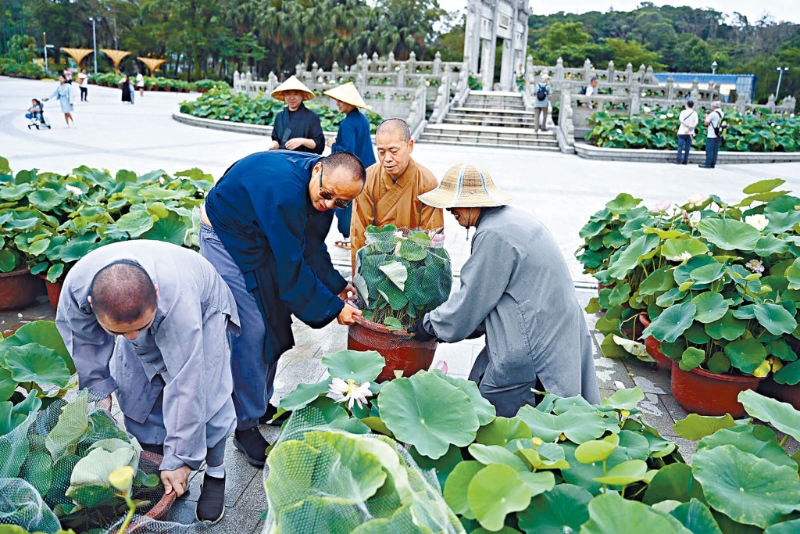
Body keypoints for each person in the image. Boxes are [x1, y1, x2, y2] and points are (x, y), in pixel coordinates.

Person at [199, 151, 365, 467]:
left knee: (274, 320)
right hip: (225, 237)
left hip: (261, 237)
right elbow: (291, 263)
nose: (328, 205)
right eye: (327, 195)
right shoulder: (284, 192)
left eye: (340, 204)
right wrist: (333, 309)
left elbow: (310, 246)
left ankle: (260, 406)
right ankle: (244, 425)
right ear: (317, 169)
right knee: (254, 329)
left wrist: (336, 284)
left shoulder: (324, 187)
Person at [55, 241, 239, 524]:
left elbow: (186, 384)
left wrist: (181, 458)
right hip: (137, 304)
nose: (131, 338)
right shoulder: (77, 291)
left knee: (208, 398)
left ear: (155, 294)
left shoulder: (177, 301)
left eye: (140, 328)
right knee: (138, 392)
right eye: (119, 332)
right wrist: (98, 392)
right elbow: (84, 342)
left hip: (198, 308)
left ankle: (215, 473)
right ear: (92, 305)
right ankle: (158, 466)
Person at [408, 163, 601, 417]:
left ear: (471, 203)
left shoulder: (493, 234)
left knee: (501, 406)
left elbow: (472, 300)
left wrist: (429, 326)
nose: (450, 210)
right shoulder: (509, 219)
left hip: (536, 333)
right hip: (554, 320)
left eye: (453, 204)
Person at [350, 118, 444, 273]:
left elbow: (433, 239)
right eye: (381, 152)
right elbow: (359, 234)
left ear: (410, 146)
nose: (387, 159)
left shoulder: (427, 182)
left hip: (413, 269)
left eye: (393, 151)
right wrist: (359, 276)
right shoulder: (368, 179)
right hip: (375, 266)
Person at [323, 82, 377, 250]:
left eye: (341, 100)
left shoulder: (347, 124)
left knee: (348, 207)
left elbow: (347, 153)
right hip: (368, 169)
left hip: (354, 172)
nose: (338, 103)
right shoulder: (362, 119)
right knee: (364, 207)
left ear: (351, 102)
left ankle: (353, 237)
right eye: (337, 100)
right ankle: (363, 237)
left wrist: (332, 144)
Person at [267, 75, 324, 154]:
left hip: (303, 161)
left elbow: (319, 144)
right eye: (288, 94)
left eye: (296, 94)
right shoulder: (280, 117)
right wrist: (273, 146)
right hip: (283, 158)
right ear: (284, 96)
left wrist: (302, 141)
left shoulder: (312, 117)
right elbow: (277, 140)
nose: (292, 98)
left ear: (302, 95)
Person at [699, 101, 724, 169]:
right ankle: (713, 164)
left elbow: (706, 123)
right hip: (719, 134)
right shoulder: (722, 113)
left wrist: (706, 117)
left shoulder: (713, 114)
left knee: (709, 149)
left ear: (713, 107)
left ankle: (707, 164)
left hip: (712, 134)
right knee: (715, 150)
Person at [676, 100, 698, 165]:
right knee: (687, 148)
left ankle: (678, 160)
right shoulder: (695, 113)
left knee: (680, 147)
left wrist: (687, 125)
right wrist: (691, 128)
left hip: (682, 131)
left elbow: (681, 120)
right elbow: (696, 122)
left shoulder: (683, 112)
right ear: (692, 106)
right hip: (690, 133)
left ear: (686, 105)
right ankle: (685, 161)